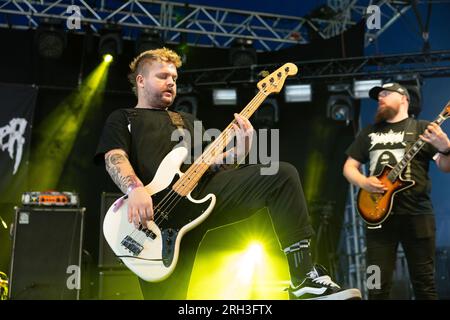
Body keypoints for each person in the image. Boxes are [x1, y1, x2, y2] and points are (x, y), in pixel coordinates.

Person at [95, 47, 361, 300]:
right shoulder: (124, 118)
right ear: (141, 80)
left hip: (199, 197)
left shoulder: (184, 120)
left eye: (174, 77)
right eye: (163, 76)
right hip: (154, 216)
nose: (171, 82)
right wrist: (134, 189)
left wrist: (239, 152)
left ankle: (302, 278)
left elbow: (206, 165)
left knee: (281, 175)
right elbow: (113, 156)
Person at [343, 82, 450, 299]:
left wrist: (446, 147)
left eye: (386, 93)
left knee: (425, 284)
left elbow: (445, 167)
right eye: (378, 95)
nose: (380, 98)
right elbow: (348, 167)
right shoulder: (369, 133)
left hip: (417, 215)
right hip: (377, 218)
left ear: (404, 98)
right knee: (375, 284)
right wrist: (364, 182)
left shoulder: (422, 128)